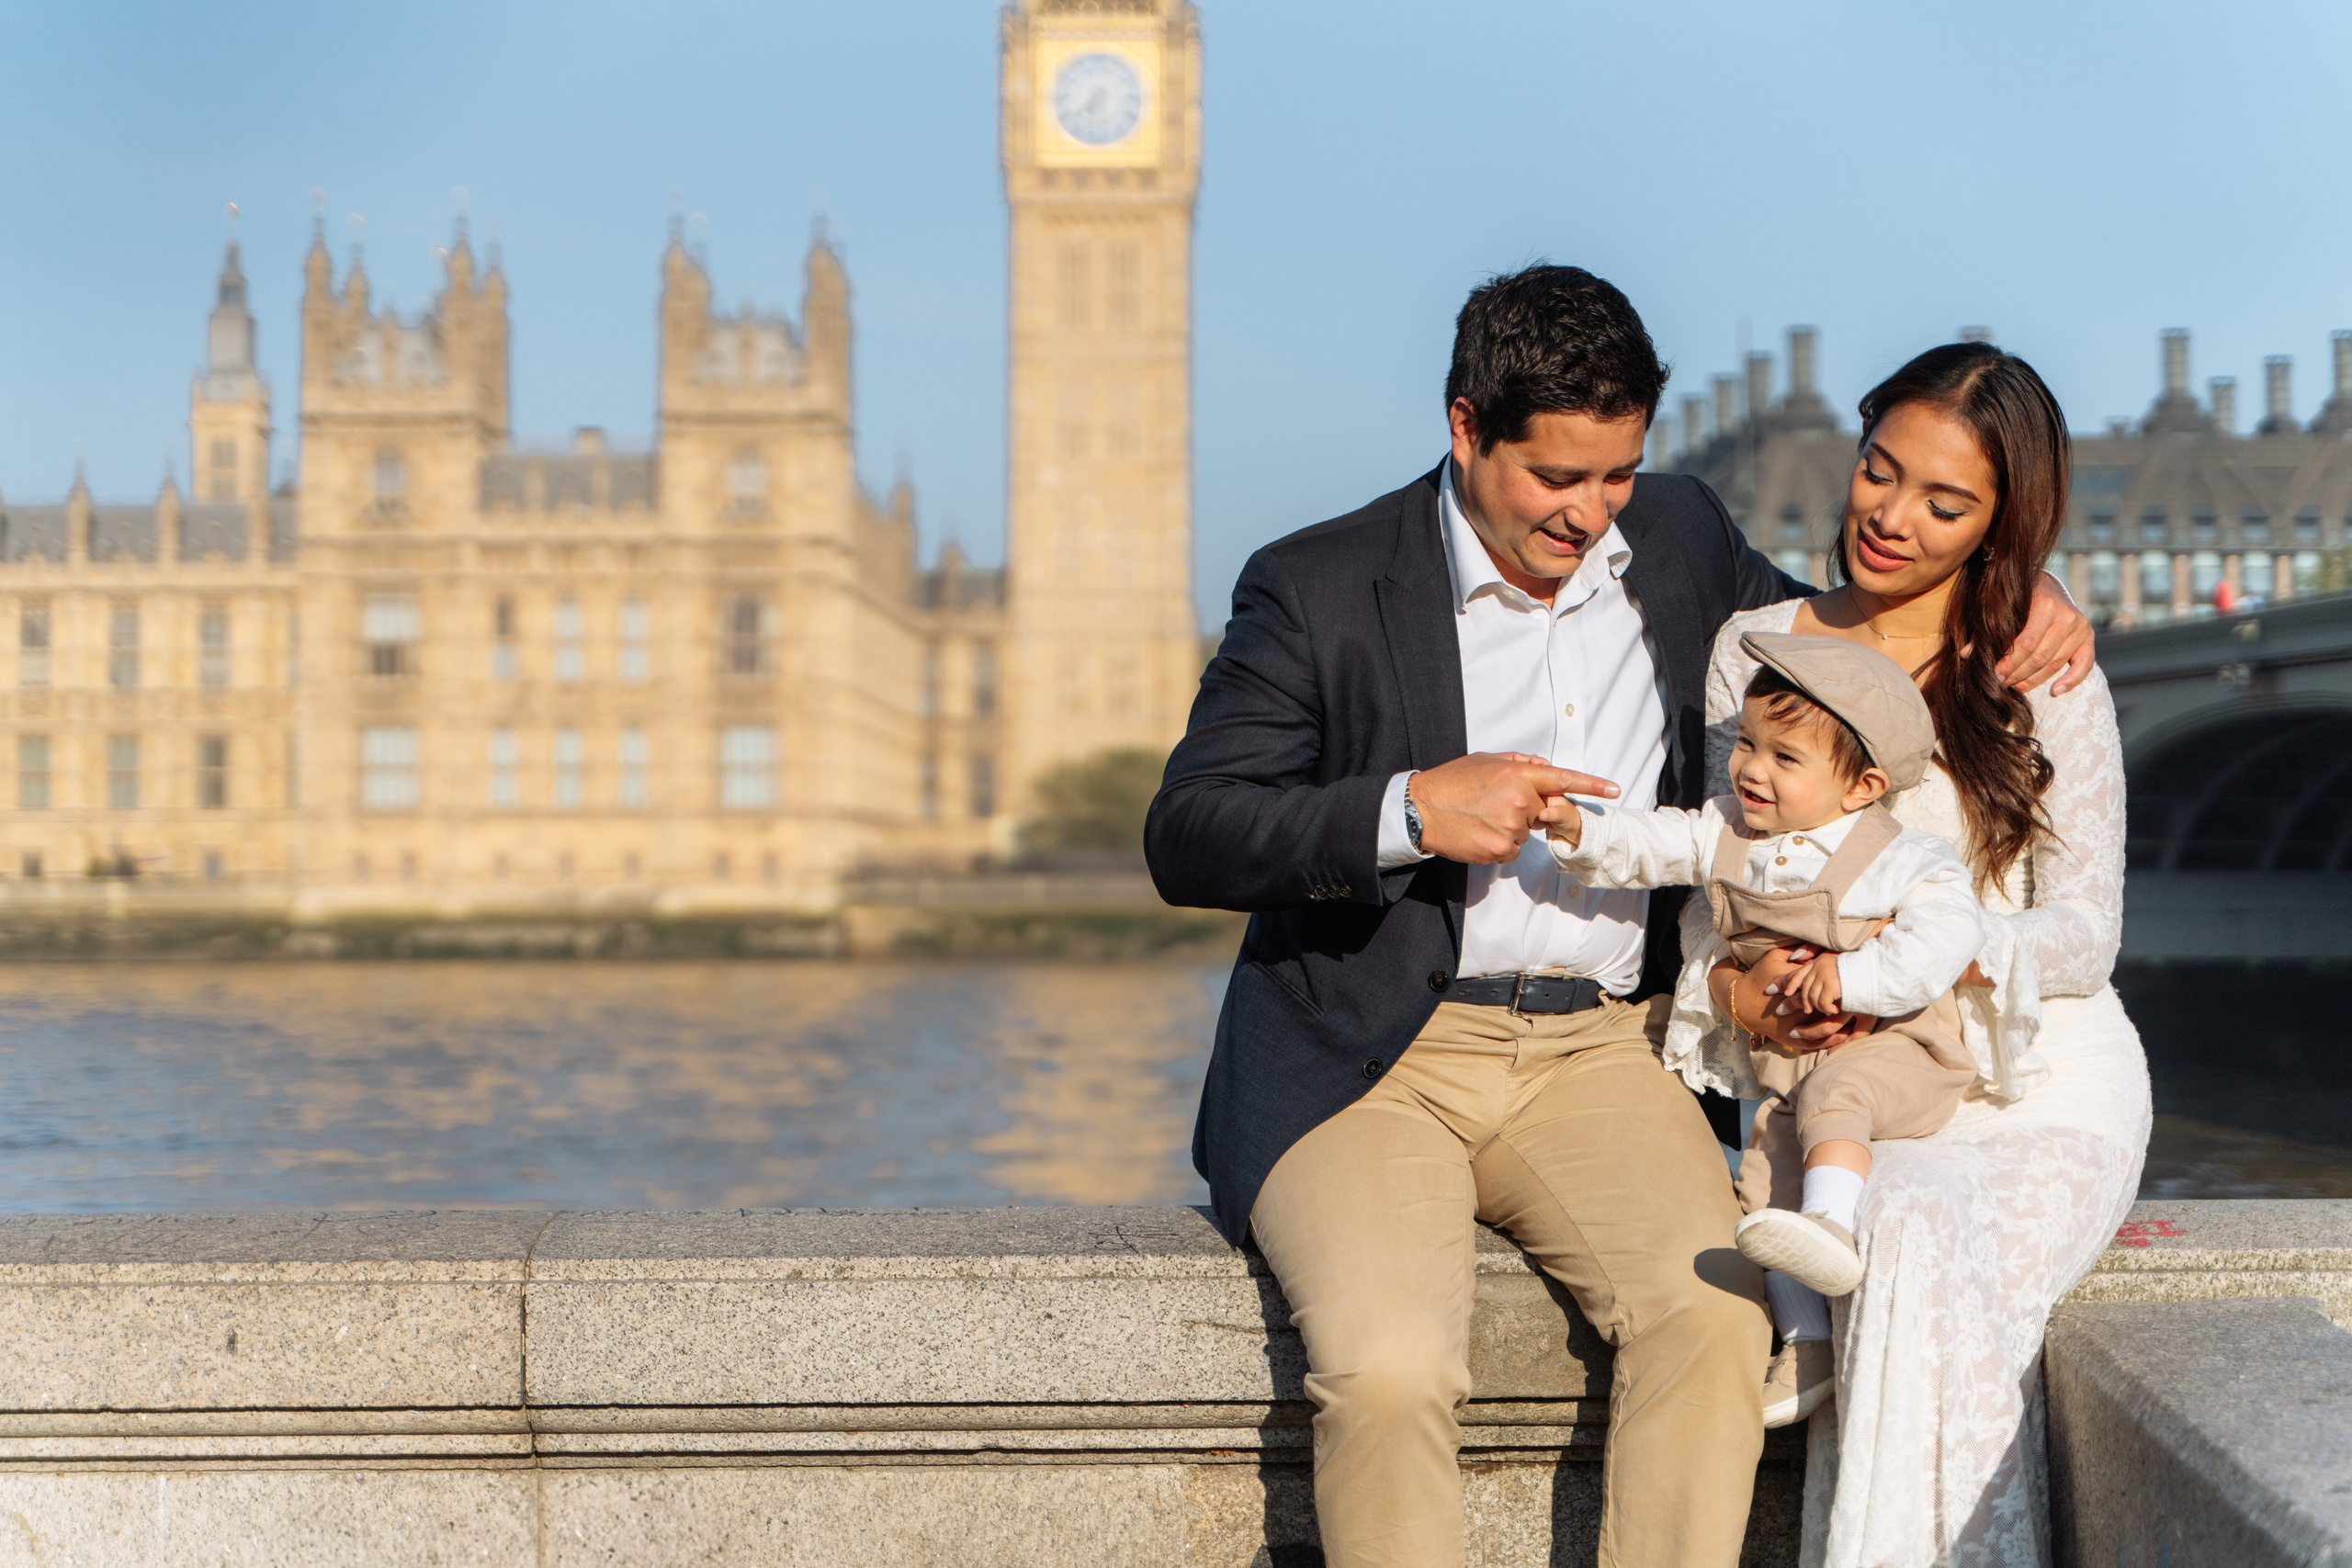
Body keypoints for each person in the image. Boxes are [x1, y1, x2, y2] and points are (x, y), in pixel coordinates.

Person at [1144, 265, 2094, 1568]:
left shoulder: (1686, 537)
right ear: (1467, 426)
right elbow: (1188, 829)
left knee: (1712, 1326)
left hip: (1597, 1049)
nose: (1591, 515)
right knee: (1393, 1367)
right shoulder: (1318, 584)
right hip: (1369, 1057)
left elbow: (1854, 633)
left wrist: (2016, 585)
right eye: (1558, 479)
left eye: (1618, 475)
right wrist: (1410, 807)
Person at [1697, 342, 2150, 1566]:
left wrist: (1909, 959)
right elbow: (1728, 896)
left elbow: (2085, 932)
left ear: (2004, 521)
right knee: (1893, 1229)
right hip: (1847, 1091)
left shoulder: (2042, 669)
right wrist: (1761, 987)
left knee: (1901, 1249)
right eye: (1879, 471)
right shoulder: (1756, 649)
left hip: (2036, 1071)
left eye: (1944, 503)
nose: (1891, 517)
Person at [1544, 633, 1993, 1427]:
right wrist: (1584, 833)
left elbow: (1951, 930)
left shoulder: (1896, 855)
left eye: (1787, 758)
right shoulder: (1726, 828)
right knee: (1758, 1181)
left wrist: (1854, 977)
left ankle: (1831, 1223)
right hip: (1790, 1065)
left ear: (1863, 785)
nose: (1752, 768)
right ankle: (1806, 1342)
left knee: (1841, 1095)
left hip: (1899, 1050)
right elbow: (1654, 840)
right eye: (1748, 743)